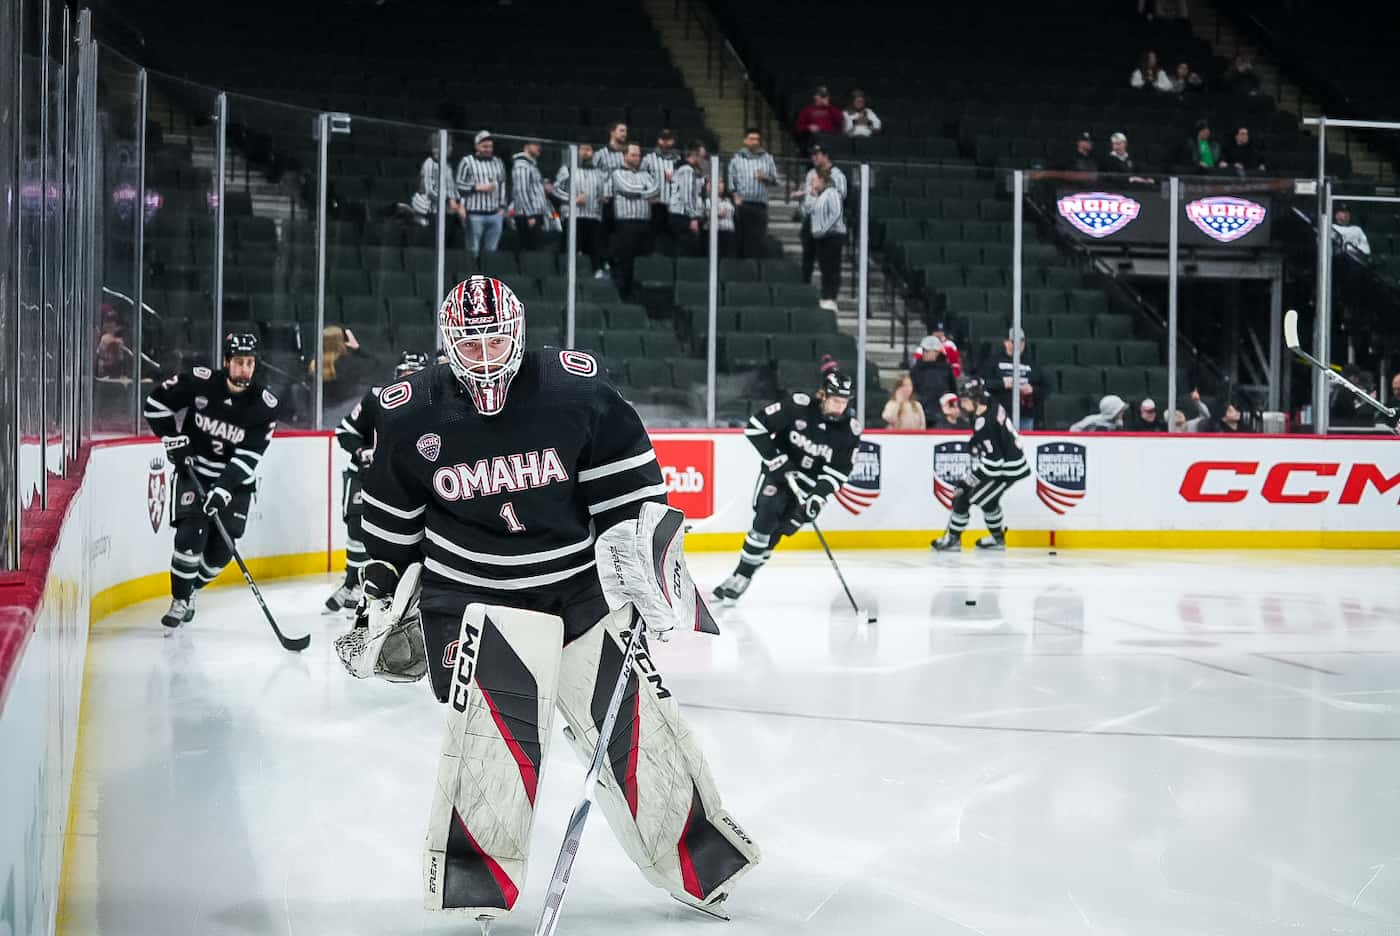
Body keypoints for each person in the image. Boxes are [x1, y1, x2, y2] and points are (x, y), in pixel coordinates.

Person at [340, 275, 760, 927]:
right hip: (471, 599)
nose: (483, 358)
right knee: (491, 740)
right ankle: (476, 883)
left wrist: (645, 571)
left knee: (639, 725)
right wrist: (381, 599)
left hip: (576, 591)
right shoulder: (409, 411)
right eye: (469, 346)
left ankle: (697, 858)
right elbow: (390, 529)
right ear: (448, 344)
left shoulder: (575, 390)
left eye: (494, 342)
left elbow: (630, 498)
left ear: (519, 335)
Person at [143, 333, 279, 629]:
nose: (245, 369)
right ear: (226, 362)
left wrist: (223, 489)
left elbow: (250, 455)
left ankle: (191, 590)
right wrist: (173, 437)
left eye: (250, 363)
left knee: (220, 552)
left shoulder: (264, 405)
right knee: (190, 537)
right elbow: (154, 403)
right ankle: (179, 600)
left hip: (236, 484)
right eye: (240, 362)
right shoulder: (200, 382)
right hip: (195, 473)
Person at [713, 370, 860, 602]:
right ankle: (739, 577)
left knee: (780, 532)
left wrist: (818, 497)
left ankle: (743, 575)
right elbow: (755, 427)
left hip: (809, 487)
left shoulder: (849, 430)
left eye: (844, 401)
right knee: (765, 520)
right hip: (779, 477)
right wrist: (776, 458)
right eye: (835, 400)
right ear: (822, 395)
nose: (839, 406)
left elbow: (839, 470)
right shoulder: (798, 407)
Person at [324, 351, 430, 612]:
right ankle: (353, 582)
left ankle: (373, 587)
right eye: (405, 374)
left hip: (399, 482)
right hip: (364, 476)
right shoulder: (378, 398)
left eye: (415, 375)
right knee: (356, 531)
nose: (409, 380)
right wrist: (362, 452)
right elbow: (345, 432)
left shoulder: (432, 405)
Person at [931, 376, 1029, 552]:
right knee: (988, 501)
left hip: (1007, 469)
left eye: (965, 400)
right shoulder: (990, 402)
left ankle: (953, 539)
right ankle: (997, 538)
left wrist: (970, 479)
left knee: (963, 495)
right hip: (1012, 463)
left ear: (976, 400)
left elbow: (994, 463)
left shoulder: (985, 423)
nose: (962, 404)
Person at [607, 142, 660, 298]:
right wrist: (645, 191)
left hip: (644, 223)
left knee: (643, 261)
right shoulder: (617, 173)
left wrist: (642, 191)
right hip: (626, 224)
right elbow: (627, 188)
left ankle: (640, 295)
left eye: (638, 155)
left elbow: (656, 189)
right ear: (624, 156)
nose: (637, 158)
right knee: (626, 261)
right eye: (633, 155)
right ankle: (623, 294)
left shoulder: (646, 174)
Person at [791, 144, 848, 286]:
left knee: (827, 262)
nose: (813, 157)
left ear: (825, 155)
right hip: (810, 218)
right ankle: (805, 289)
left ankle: (828, 295)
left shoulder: (837, 174)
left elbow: (840, 198)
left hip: (827, 221)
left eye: (817, 154)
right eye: (812, 154)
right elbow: (809, 196)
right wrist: (802, 199)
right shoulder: (811, 173)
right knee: (807, 257)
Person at [553, 142, 608, 275]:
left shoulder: (598, 173)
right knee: (569, 249)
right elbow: (556, 189)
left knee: (593, 250)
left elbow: (602, 193)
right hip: (573, 217)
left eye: (589, 149)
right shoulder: (567, 169)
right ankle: (564, 274)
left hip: (592, 218)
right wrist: (573, 199)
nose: (586, 152)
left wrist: (602, 199)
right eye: (583, 149)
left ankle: (595, 273)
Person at [727, 129, 779, 259]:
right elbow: (730, 180)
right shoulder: (736, 159)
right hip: (742, 204)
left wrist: (765, 178)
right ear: (745, 140)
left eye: (757, 139)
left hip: (760, 205)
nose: (754, 142)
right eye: (751, 138)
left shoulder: (768, 158)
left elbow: (775, 180)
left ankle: (755, 270)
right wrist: (735, 196)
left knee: (758, 239)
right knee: (741, 238)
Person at [456, 130, 508, 258]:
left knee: (491, 252)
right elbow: (458, 185)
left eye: (490, 147)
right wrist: (476, 188)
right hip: (474, 214)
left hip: (495, 214)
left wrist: (502, 207)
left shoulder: (498, 162)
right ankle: (473, 276)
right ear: (476, 146)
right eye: (485, 146)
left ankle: (487, 276)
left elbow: (502, 184)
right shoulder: (467, 161)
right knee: (473, 250)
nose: (488, 149)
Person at [803, 167, 846, 312]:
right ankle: (825, 295)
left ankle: (830, 297)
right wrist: (812, 195)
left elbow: (835, 213)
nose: (813, 182)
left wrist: (824, 229)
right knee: (824, 267)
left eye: (815, 180)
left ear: (822, 180)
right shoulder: (817, 194)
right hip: (821, 236)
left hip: (832, 235)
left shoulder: (832, 193)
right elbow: (808, 210)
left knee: (832, 267)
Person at [407, 134, 465, 228]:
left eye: (449, 146)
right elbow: (430, 190)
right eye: (435, 147)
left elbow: (451, 187)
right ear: (433, 149)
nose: (450, 148)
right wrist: (448, 201)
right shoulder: (428, 164)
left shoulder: (447, 166)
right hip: (430, 210)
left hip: (446, 210)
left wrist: (455, 201)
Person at [987, 327, 1036, 430]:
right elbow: (983, 383)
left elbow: (1045, 386)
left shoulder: (1031, 363)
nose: (1019, 344)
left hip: (1025, 416)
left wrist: (1033, 389)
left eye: (1022, 341)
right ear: (1006, 342)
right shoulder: (993, 362)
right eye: (1014, 341)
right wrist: (1002, 384)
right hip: (1000, 414)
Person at [509, 140, 552, 251]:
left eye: (540, 144)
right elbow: (521, 190)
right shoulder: (522, 165)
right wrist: (530, 215)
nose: (539, 147)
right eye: (536, 144)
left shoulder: (531, 165)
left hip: (535, 213)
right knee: (528, 249)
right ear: (526, 146)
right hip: (527, 215)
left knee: (534, 248)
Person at [641, 128, 683, 242]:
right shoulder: (648, 158)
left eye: (668, 139)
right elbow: (641, 178)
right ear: (658, 140)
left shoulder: (679, 159)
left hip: (674, 206)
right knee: (653, 236)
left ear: (673, 141)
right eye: (662, 139)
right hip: (655, 204)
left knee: (673, 238)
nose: (665, 142)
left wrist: (674, 178)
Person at [668, 141, 708, 257]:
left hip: (682, 215)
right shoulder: (687, 169)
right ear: (695, 154)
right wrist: (693, 218)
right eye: (702, 157)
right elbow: (687, 195)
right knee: (686, 249)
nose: (703, 160)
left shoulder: (689, 169)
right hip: (683, 216)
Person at [911, 334, 956, 415]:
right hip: (922, 410)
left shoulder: (945, 368)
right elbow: (912, 389)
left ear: (937, 352)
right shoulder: (917, 368)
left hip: (942, 411)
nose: (925, 353)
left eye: (927, 351)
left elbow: (952, 389)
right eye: (924, 350)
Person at [794, 85, 843, 150]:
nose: (823, 98)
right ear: (815, 97)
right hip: (814, 139)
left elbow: (840, 121)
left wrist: (829, 106)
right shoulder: (807, 110)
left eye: (824, 96)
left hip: (830, 139)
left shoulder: (832, 109)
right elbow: (798, 127)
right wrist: (808, 127)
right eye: (821, 96)